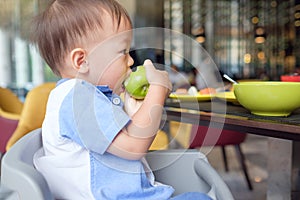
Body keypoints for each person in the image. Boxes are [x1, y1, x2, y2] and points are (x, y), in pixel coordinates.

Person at [31, 0, 211, 199]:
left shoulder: (91, 98)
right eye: (122, 52)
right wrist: (157, 91)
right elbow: (134, 148)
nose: (131, 60)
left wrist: (136, 114)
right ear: (81, 61)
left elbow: (134, 140)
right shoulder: (76, 98)